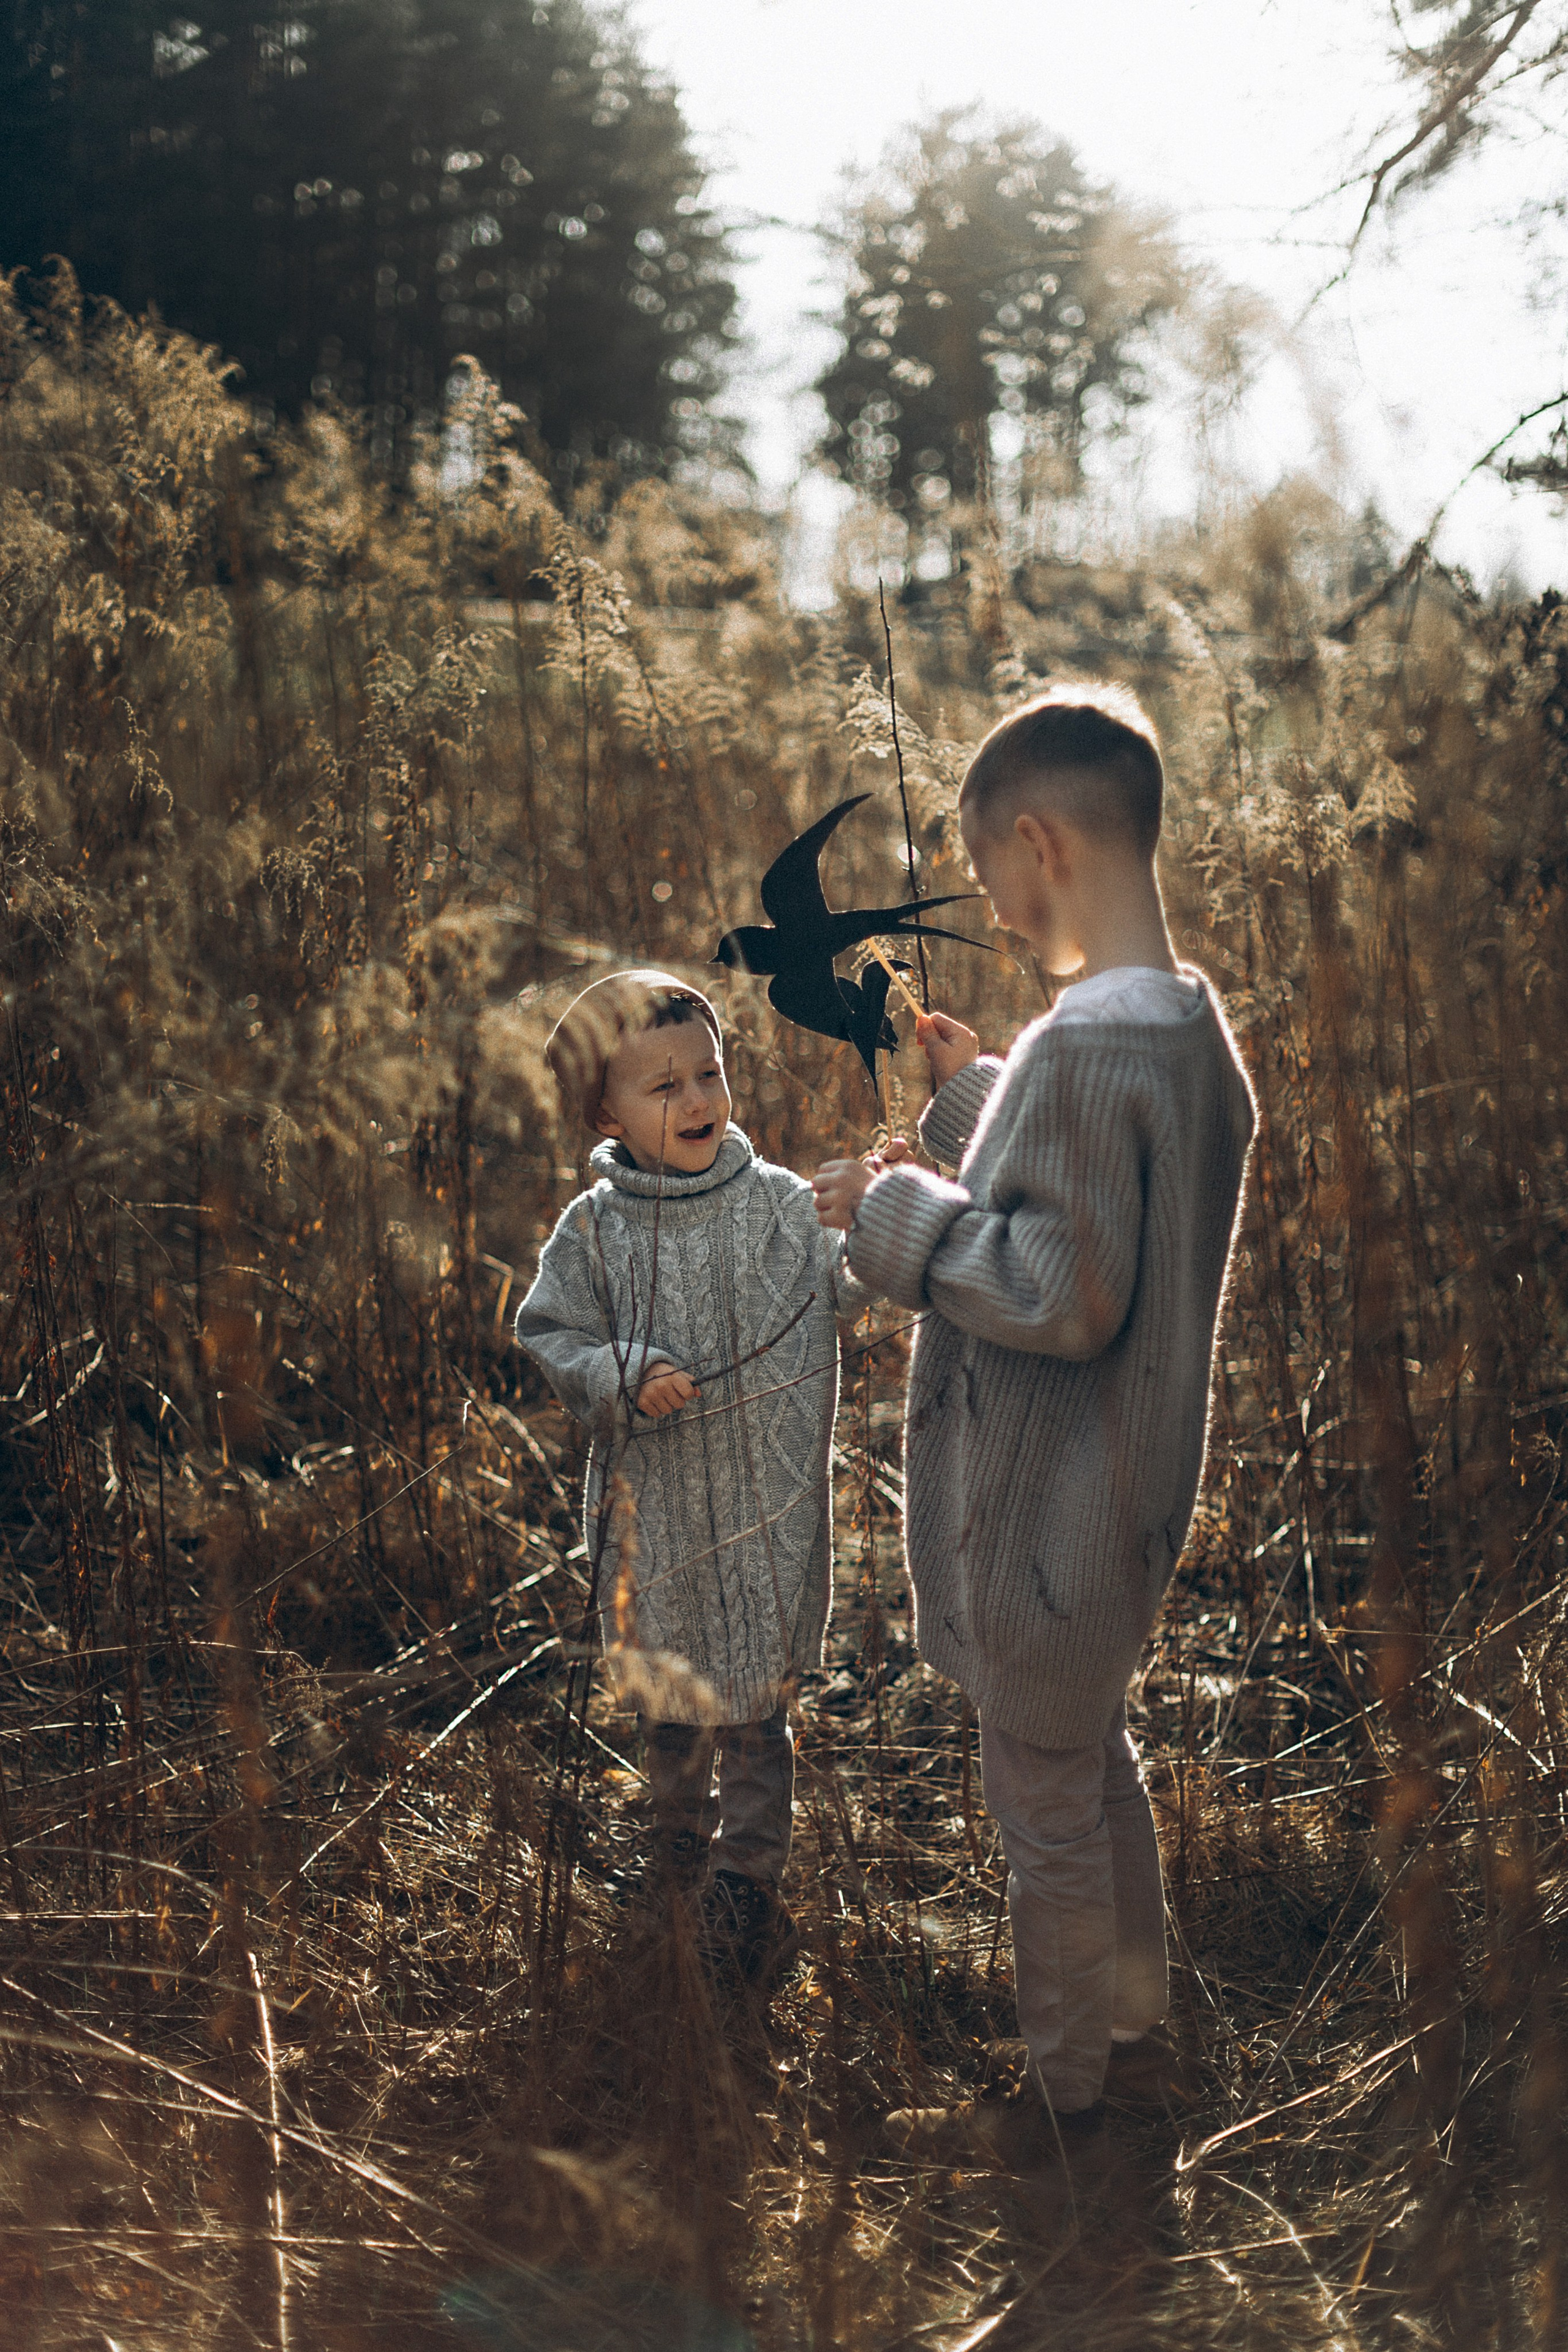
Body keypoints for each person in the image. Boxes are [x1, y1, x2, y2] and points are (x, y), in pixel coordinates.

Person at [812, 684, 1256, 2152]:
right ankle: (1134, 2060)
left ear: (1039, 840)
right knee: (1086, 1772)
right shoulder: (1184, 1040)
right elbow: (1093, 1183)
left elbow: (1060, 1289)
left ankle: (1071, 2108)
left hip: (1046, 1519)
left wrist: (899, 1219)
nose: (994, 911)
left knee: (1044, 1816)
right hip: (1122, 1501)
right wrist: (972, 1104)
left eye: (991, 875)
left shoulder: (1085, 1051)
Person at [516, 968, 864, 1986]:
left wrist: (883, 1211)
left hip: (765, 1513)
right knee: (672, 1704)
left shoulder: (784, 1209)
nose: (699, 1101)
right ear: (605, 1112)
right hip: (658, 1524)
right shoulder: (595, 1230)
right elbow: (552, 1333)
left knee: (757, 1712)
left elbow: (857, 1288)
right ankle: (675, 1854)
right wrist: (621, 1372)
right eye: (663, 1088)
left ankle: (745, 1887)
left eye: (708, 1073)